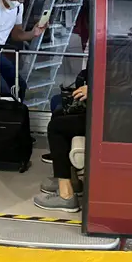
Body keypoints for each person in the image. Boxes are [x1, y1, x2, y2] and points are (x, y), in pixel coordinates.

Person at [33, 68, 88, 213]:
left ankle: (66, 196)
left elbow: (131, 89)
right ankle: (73, 182)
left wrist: (95, 89)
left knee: (56, 127)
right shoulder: (122, 49)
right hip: (106, 111)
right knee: (59, 112)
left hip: (113, 120)